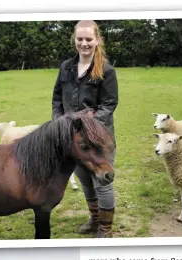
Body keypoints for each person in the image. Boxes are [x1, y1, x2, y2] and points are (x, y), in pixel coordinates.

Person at [51, 20, 118, 238]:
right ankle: (95, 219)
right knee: (85, 181)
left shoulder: (106, 70)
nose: (84, 43)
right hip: (73, 138)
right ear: (75, 41)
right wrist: (59, 122)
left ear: (97, 40)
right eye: (80, 39)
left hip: (98, 137)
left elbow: (109, 105)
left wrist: (88, 124)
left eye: (89, 39)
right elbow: (57, 98)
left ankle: (105, 229)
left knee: (102, 182)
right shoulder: (66, 67)